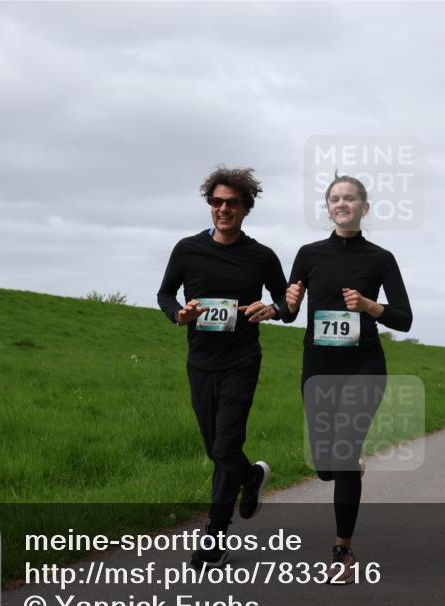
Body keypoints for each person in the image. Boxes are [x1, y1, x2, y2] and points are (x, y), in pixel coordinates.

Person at [157, 166, 290, 567]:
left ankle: (214, 537)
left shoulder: (261, 257)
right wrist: (179, 314)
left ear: (246, 208)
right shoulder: (187, 249)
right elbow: (164, 294)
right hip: (200, 361)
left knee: (225, 445)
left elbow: (286, 303)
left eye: (232, 203)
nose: (223, 209)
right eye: (216, 202)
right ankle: (249, 477)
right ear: (209, 206)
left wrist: (270, 308)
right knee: (216, 448)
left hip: (241, 361)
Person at [284, 174, 412, 584]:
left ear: (365, 207)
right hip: (319, 367)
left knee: (342, 455)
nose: (342, 204)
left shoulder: (380, 258)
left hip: (364, 366)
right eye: (335, 199)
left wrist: (370, 305)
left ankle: (342, 549)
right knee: (327, 465)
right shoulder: (308, 254)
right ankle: (345, 470)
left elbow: (404, 318)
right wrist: (286, 303)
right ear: (328, 208)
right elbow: (289, 312)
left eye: (350, 199)